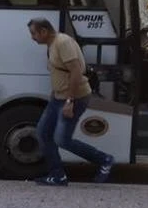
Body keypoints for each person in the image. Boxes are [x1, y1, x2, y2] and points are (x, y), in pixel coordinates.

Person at [27, 17, 114, 186]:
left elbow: (76, 72)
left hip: (74, 98)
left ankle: (104, 159)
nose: (32, 38)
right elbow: (60, 72)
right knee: (43, 133)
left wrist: (69, 101)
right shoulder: (52, 45)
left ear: (44, 31)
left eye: (33, 33)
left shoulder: (63, 43)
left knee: (62, 140)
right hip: (58, 98)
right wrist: (55, 94)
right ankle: (57, 175)